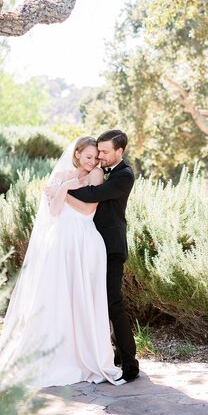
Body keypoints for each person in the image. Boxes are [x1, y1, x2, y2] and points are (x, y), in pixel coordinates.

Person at [0, 136, 123, 388]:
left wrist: (63, 190)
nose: (93, 161)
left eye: (96, 157)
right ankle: (52, 355)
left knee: (81, 297)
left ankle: (83, 355)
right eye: (88, 156)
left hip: (83, 240)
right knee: (55, 297)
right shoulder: (62, 173)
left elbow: (87, 210)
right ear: (76, 155)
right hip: (60, 241)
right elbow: (53, 211)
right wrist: (62, 188)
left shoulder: (96, 176)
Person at [69, 129, 139, 382]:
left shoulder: (124, 175)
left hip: (111, 248)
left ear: (119, 151)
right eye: (98, 150)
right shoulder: (100, 171)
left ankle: (130, 362)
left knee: (112, 303)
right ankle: (108, 354)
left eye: (105, 151)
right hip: (91, 246)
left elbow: (94, 195)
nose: (100, 155)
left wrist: (62, 188)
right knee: (94, 303)